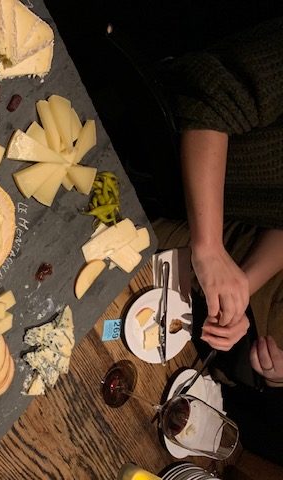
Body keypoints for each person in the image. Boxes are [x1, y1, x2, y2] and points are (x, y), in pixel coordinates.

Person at [155, 16, 283, 464]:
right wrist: (209, 246)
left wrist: (242, 286)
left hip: (228, 236)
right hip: (155, 144)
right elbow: (210, 94)